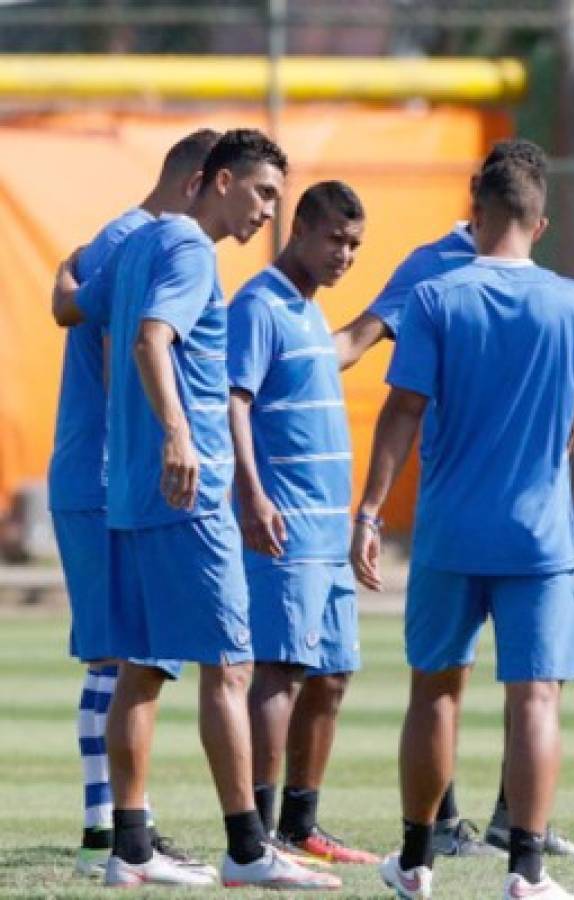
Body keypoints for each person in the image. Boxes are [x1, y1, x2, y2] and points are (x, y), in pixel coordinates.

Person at [51, 129, 337, 890]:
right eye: (261, 193)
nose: (267, 212)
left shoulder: (136, 247)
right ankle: (247, 849)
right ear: (215, 182)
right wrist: (181, 437)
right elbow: (150, 340)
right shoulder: (187, 250)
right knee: (231, 667)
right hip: (188, 493)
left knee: (141, 669)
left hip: (134, 497)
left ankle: (129, 847)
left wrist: (63, 271)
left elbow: (72, 307)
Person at [355, 142, 574, 900]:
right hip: (540, 537)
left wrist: (370, 512)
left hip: (450, 531)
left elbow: (402, 411)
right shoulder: (573, 301)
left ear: (474, 214)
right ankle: (527, 872)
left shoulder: (435, 298)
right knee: (536, 699)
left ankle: (416, 861)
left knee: (434, 692)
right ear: (539, 223)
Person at [48, 128, 221, 879]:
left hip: (105, 471)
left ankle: (116, 830)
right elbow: (123, 348)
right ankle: (108, 837)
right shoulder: (142, 241)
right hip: (104, 472)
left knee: (121, 652)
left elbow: (68, 303)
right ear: (197, 184)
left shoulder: (125, 238)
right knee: (121, 652)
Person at [226, 180, 378, 865]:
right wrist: (252, 495)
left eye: (354, 245)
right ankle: (254, 834)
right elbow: (232, 403)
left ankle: (298, 825)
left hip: (327, 535)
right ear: (298, 232)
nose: (344, 255)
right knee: (279, 673)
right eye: (334, 240)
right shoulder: (259, 304)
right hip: (283, 531)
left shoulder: (312, 313)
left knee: (333, 676)